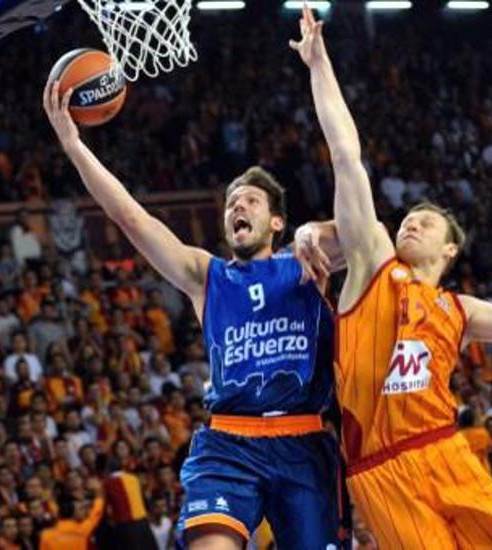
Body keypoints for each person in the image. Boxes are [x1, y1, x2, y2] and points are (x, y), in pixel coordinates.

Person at [290, 5, 492, 547]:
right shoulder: (373, 264)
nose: (411, 222)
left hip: (445, 450)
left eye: (424, 222)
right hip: (382, 467)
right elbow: (347, 157)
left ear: (450, 247)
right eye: (408, 218)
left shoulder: (460, 309)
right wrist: (318, 65)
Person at [43, 77, 345, 550]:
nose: (236, 207)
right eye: (230, 203)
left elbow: (368, 235)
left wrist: (315, 230)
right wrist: (74, 145)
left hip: (303, 440)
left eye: (250, 200)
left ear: (277, 222)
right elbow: (132, 218)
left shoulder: (307, 264)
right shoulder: (208, 275)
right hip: (229, 443)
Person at [38, 477, 105, 550]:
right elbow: (96, 513)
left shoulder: (46, 535)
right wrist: (98, 492)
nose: (84, 511)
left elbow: (50, 504)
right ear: (73, 514)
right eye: (81, 509)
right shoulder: (82, 530)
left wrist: (46, 491)